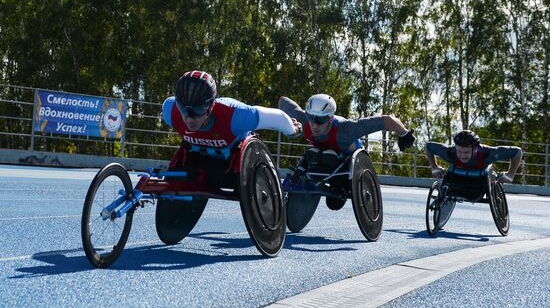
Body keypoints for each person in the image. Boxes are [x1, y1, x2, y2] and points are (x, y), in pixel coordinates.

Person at [162, 70, 301, 185]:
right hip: (196, 158)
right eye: (183, 109)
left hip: (234, 158)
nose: (188, 118)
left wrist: (293, 130)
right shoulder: (170, 110)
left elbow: (278, 118)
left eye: (197, 110)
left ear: (211, 106)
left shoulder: (235, 116)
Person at [279, 94, 416, 210]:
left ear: (330, 119)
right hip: (321, 160)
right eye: (311, 117)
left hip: (347, 169)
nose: (314, 125)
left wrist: (404, 134)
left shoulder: (346, 130)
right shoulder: (303, 120)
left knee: (334, 204)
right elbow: (283, 101)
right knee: (312, 155)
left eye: (320, 120)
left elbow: (387, 120)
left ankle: (340, 188)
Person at [425, 130, 522, 185]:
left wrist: (510, 174)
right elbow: (428, 146)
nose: (462, 156)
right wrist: (434, 167)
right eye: (459, 151)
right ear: (455, 148)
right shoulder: (450, 152)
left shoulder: (488, 153)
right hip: (457, 178)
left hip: (482, 179)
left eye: (466, 152)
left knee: (492, 177)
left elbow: (517, 152)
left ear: (475, 149)